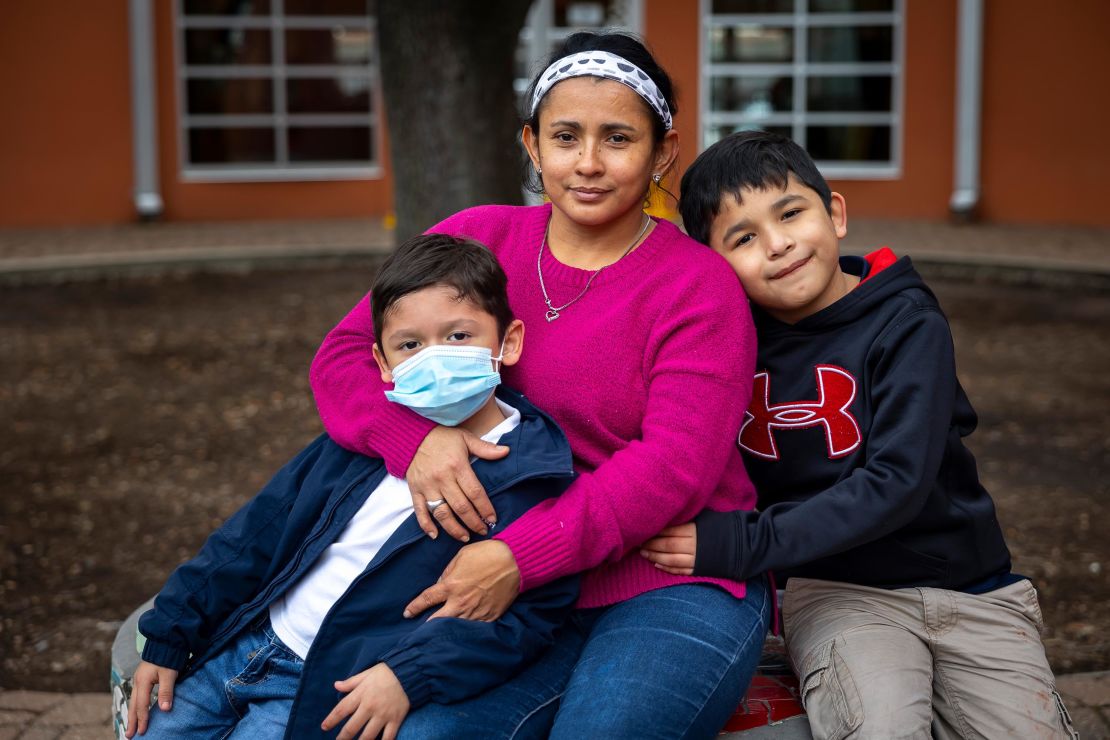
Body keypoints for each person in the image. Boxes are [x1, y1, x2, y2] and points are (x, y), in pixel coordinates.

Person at [309, 31, 770, 739]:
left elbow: (672, 467)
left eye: (618, 138)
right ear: (531, 145)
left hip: (664, 584)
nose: (588, 163)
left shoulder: (696, 285)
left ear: (663, 151)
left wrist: (519, 558)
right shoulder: (478, 239)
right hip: (518, 594)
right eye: (565, 136)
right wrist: (417, 443)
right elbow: (345, 356)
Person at [641, 130, 1079, 739]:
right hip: (838, 592)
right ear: (716, 267)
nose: (779, 244)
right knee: (880, 729)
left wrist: (739, 542)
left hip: (972, 590)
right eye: (743, 238)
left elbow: (896, 482)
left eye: (791, 212)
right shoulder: (723, 347)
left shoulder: (906, 321)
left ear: (836, 214)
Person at [125, 234, 580, 740]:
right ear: (383, 365)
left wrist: (410, 674)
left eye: (458, 337)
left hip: (324, 688)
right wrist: (169, 634)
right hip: (240, 649)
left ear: (508, 341)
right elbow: (252, 534)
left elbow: (521, 622)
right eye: (410, 344)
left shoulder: (533, 477)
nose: (435, 359)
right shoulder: (363, 440)